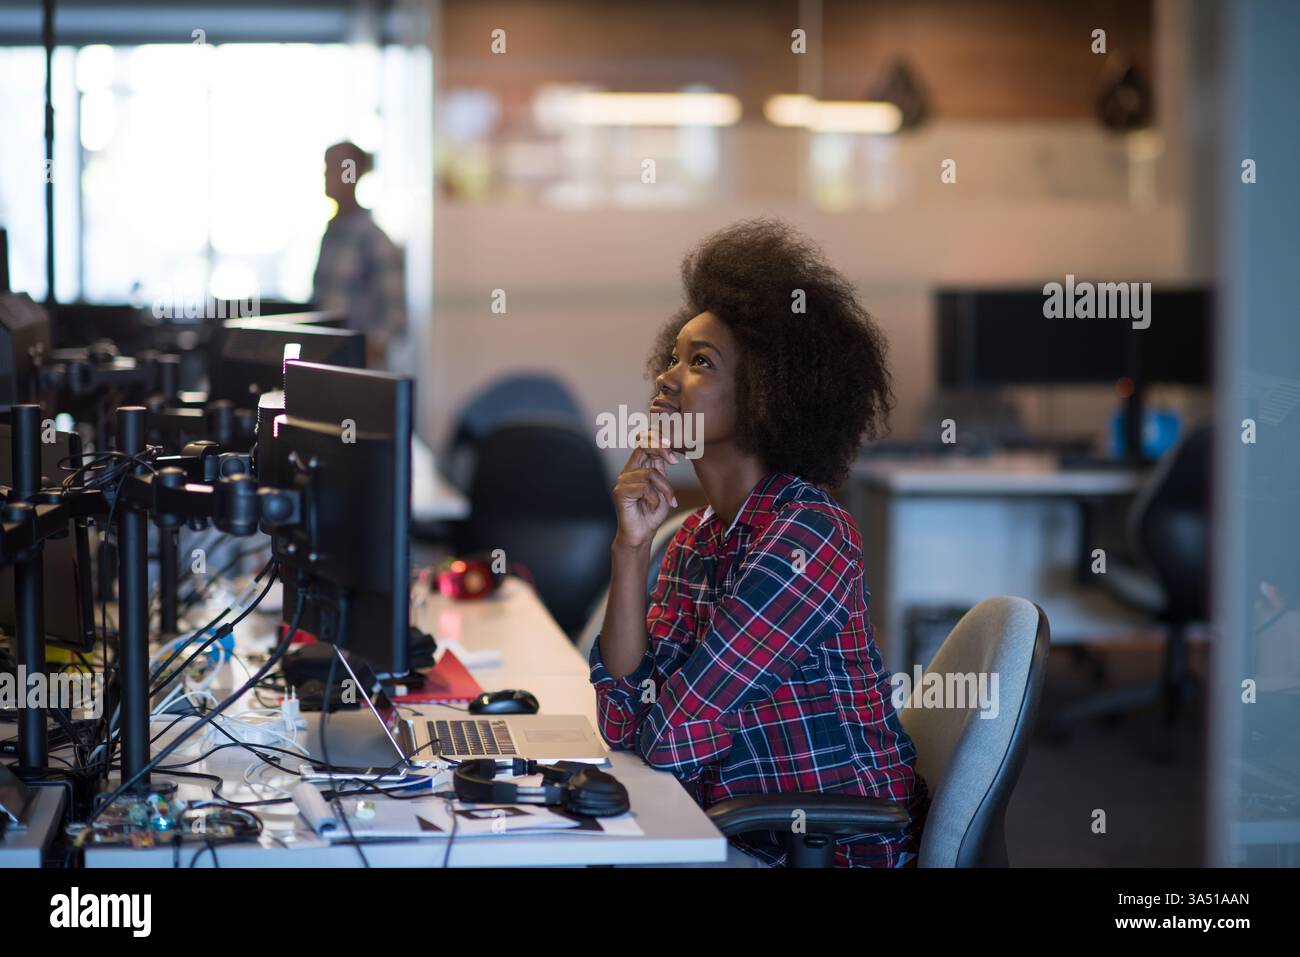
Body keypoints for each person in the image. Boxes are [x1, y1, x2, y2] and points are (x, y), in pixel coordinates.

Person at [590, 218, 929, 867]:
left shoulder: (808, 536)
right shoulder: (695, 538)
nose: (665, 378)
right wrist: (629, 548)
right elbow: (625, 724)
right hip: (729, 824)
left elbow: (671, 736)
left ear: (766, 391)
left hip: (826, 849)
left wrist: (650, 726)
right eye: (673, 355)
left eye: (699, 362)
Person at [312, 141, 406, 369]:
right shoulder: (332, 234)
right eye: (326, 168)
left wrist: (358, 360)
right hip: (328, 364)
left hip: (355, 371)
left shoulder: (374, 240)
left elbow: (394, 319)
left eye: (333, 168)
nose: (326, 176)